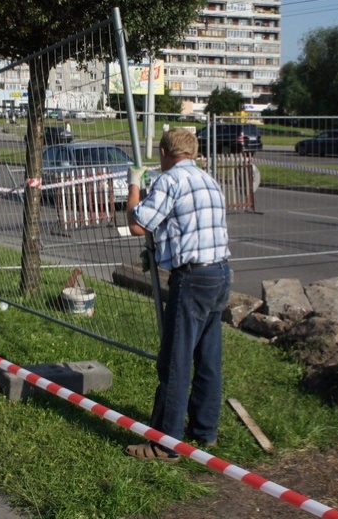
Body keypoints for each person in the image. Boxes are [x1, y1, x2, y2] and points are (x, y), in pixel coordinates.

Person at [124, 128, 232, 462]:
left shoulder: (170, 181)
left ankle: (165, 443)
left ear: (165, 153)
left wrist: (134, 185)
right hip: (220, 274)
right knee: (208, 359)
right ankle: (204, 431)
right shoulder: (209, 181)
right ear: (194, 152)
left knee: (175, 361)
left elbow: (138, 223)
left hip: (193, 278)